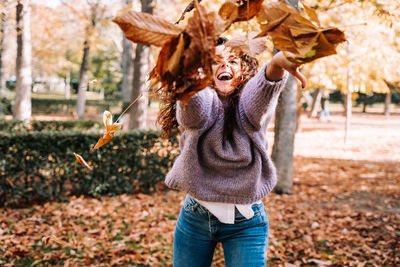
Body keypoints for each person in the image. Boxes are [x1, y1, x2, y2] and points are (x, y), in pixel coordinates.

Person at [160, 37, 306, 267]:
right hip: (195, 217)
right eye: (215, 61)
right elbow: (194, 112)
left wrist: (277, 64)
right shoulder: (203, 98)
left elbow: (261, 93)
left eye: (233, 61)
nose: (224, 65)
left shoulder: (249, 103)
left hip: (246, 223)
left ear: (244, 69)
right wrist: (188, 79)